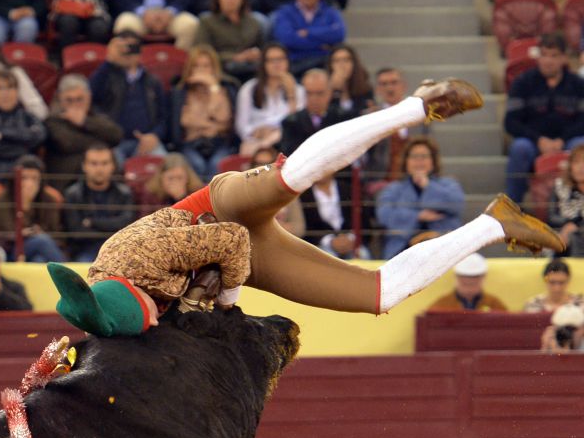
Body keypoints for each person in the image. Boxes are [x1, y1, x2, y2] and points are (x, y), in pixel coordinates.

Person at [48, 79, 565, 336]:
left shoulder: (139, 254)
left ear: (137, 291)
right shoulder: (114, 313)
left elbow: (228, 241)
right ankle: (493, 223)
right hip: (239, 257)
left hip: (218, 211)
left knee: (289, 177)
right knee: (378, 295)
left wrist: (226, 304)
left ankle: (416, 104)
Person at [504, 33, 584, 204]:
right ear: (538, 56)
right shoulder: (522, 83)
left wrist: (562, 140)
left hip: (568, 141)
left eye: (554, 56)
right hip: (533, 143)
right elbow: (510, 121)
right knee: (520, 147)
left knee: (579, 146)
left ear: (564, 58)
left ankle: (578, 206)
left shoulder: (578, 85)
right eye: (544, 55)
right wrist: (539, 140)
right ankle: (512, 206)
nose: (548, 61)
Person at [375, 136, 465, 259]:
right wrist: (418, 216)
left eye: (424, 157)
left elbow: (457, 204)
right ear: (406, 162)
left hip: (443, 249)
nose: (419, 161)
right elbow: (384, 214)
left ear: (433, 161)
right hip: (403, 250)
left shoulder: (449, 184)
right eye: (414, 157)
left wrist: (427, 185)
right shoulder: (393, 189)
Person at [89, 31, 169, 162]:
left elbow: (164, 116)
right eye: (123, 49)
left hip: (146, 141)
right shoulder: (107, 76)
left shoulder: (152, 82)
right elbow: (91, 95)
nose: (127, 53)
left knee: (164, 164)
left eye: (132, 48)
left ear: (140, 51)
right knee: (107, 165)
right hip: (114, 141)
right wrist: (109, 60)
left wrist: (154, 135)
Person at [168, 45, 237, 179]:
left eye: (206, 66)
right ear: (190, 68)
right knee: (196, 164)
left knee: (217, 164)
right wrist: (212, 124)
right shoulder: (182, 92)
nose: (201, 71)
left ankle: (213, 200)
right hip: (191, 143)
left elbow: (223, 117)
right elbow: (186, 121)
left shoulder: (225, 89)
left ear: (214, 68)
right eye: (196, 66)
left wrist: (213, 87)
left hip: (219, 143)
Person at [61, 142, 134, 261]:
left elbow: (126, 224)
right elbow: (76, 233)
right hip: (85, 250)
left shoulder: (124, 193)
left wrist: (92, 222)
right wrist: (110, 227)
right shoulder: (73, 194)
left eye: (104, 163)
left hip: (118, 249)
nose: (99, 169)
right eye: (94, 163)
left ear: (113, 166)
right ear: (84, 166)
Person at [43, 73, 123, 180]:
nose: (75, 105)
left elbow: (116, 135)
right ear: (60, 99)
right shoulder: (53, 121)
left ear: (88, 98)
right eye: (69, 100)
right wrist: (103, 141)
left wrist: (84, 121)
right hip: (68, 179)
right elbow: (68, 143)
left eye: (79, 99)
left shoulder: (96, 118)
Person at [269, 0, 345, 74]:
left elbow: (339, 34)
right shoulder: (284, 12)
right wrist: (322, 44)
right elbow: (287, 39)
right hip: (293, 66)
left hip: (324, 66)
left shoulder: (331, 12)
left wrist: (308, 32)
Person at [234, 43, 302, 158]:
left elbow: (296, 124)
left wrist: (291, 95)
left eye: (280, 59)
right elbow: (241, 125)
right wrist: (256, 132)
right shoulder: (249, 88)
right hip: (254, 140)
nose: (276, 64)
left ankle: (264, 146)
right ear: (263, 64)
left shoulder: (299, 90)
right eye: (271, 60)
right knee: (247, 148)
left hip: (284, 143)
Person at [0, 154, 66, 262]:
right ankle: (67, 273)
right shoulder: (4, 198)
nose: (29, 183)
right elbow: (6, 230)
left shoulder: (48, 199)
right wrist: (24, 203)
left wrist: (40, 232)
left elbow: (56, 233)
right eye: (24, 178)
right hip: (13, 250)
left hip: (42, 248)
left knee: (39, 260)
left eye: (34, 178)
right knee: (42, 241)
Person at [195, 0, 264, 85]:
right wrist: (235, 57)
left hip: (251, 69)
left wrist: (255, 54)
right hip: (222, 70)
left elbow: (263, 48)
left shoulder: (253, 22)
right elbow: (202, 53)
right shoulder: (207, 22)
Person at [363, 66, 415, 194]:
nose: (389, 88)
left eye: (394, 83)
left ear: (404, 86)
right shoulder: (369, 118)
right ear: (377, 89)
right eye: (384, 84)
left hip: (414, 181)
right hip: (381, 184)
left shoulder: (420, 116)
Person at [299, 170, 367, 259]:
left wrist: (351, 238)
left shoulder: (349, 190)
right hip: (320, 244)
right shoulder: (303, 195)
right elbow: (306, 228)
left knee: (363, 255)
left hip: (350, 240)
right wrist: (329, 241)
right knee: (327, 258)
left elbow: (364, 220)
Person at [279, 67, 347, 155]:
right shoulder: (291, 122)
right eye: (309, 93)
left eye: (319, 93)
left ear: (330, 92)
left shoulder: (343, 119)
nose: (314, 99)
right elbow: (288, 155)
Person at [426, 254, 508, 313]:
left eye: (475, 276)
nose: (469, 280)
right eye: (464, 276)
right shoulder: (441, 305)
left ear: (483, 277)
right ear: (457, 277)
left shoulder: (494, 304)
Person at [548, 143, 584, 256]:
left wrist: (575, 225)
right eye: (576, 162)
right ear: (570, 166)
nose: (581, 167)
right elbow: (552, 217)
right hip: (562, 232)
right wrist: (569, 224)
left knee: (574, 235)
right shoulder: (560, 186)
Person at [139, 152, 203, 216]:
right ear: (161, 178)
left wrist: (181, 197)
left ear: (187, 178)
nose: (175, 183)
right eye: (170, 178)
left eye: (180, 178)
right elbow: (145, 219)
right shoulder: (151, 192)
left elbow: (199, 218)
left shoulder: (197, 191)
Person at [327, 44, 372, 117]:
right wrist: (336, 91)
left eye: (346, 60)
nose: (342, 65)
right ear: (330, 65)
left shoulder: (365, 89)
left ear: (354, 64)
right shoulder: (323, 92)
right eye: (337, 61)